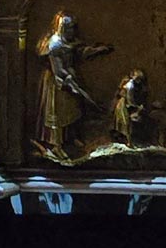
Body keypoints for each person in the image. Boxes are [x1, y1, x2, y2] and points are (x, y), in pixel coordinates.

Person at [33, 11, 112, 158]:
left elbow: (78, 52)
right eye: (68, 28)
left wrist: (96, 51)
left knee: (72, 110)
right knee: (57, 113)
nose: (72, 31)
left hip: (69, 76)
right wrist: (71, 85)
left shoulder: (68, 40)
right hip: (57, 82)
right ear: (61, 28)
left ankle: (70, 137)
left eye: (73, 28)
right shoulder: (55, 45)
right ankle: (56, 145)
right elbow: (59, 70)